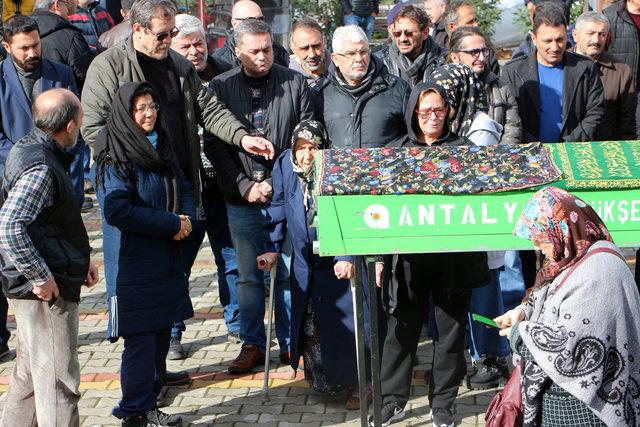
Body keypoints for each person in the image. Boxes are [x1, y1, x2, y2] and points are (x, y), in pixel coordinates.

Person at [81, 0, 274, 359]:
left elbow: (210, 109)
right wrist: (140, 159)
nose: (169, 39)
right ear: (136, 30)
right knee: (140, 288)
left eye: (172, 32)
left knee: (173, 274)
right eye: (162, 34)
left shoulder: (177, 65)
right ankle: (143, 383)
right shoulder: (107, 67)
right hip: (135, 194)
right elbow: (93, 130)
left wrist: (242, 137)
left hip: (179, 187)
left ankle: (161, 361)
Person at [371, 80, 489, 427]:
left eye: (439, 110)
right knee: (401, 331)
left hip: (454, 260)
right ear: (414, 114)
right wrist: (379, 258)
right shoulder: (397, 151)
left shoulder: (465, 149)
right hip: (408, 259)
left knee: (450, 336)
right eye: (425, 111)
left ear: (448, 111)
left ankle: (443, 406)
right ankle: (393, 401)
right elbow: (380, 210)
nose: (432, 117)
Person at [206, 19, 314, 374]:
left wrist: (282, 182)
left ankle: (289, 343)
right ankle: (252, 343)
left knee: (285, 271)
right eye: (254, 51)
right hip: (241, 199)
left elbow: (307, 131)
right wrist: (244, 185)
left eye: (267, 48)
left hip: (286, 196)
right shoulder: (220, 86)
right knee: (249, 275)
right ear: (237, 51)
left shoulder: (294, 82)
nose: (263, 56)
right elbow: (215, 146)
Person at [496, 186, 640, 426]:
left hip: (587, 410)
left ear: (563, 229)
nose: (538, 246)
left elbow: (572, 349)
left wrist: (519, 334)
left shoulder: (599, 272)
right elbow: (549, 294)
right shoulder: (574, 256)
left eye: (542, 238)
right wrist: (522, 312)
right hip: (575, 401)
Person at [94, 82, 192, 427]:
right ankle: (133, 412)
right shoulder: (113, 154)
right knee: (141, 342)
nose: (149, 114)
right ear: (126, 114)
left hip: (165, 258)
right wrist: (170, 223)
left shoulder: (161, 144)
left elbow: (184, 184)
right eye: (141, 109)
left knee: (161, 335)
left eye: (153, 106)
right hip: (133, 264)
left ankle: (149, 405)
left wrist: (187, 219)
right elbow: (117, 210)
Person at [0, 88, 99, 427]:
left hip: (39, 281)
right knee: (59, 383)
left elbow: (52, 221)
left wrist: (81, 258)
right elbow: (11, 226)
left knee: (29, 378)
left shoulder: (31, 147)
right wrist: (40, 276)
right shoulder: (42, 165)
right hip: (43, 290)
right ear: (70, 126)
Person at [257, 120, 367, 409]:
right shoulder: (285, 166)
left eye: (313, 148)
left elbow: (350, 215)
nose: (306, 155)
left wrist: (347, 257)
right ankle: (324, 381)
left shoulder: (336, 169)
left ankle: (359, 383)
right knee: (312, 323)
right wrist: (271, 247)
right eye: (301, 148)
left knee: (346, 325)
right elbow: (278, 206)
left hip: (336, 264)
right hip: (306, 262)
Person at [170, 13, 241, 346]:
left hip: (222, 185)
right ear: (171, 46)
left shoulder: (224, 75)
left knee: (230, 258)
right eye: (186, 45)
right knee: (179, 265)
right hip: (186, 189)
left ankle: (238, 324)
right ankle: (172, 332)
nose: (195, 50)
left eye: (199, 43)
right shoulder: (165, 78)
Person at [0, 15, 86, 211]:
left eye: (36, 45)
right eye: (24, 48)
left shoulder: (62, 73)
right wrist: (28, 160)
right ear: (7, 47)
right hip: (15, 182)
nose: (32, 53)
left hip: (61, 182)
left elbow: (74, 127)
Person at [500, 1, 604, 143]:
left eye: (560, 39)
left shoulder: (585, 67)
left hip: (573, 152)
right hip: (529, 154)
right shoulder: (512, 72)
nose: (555, 47)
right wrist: (534, 146)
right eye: (547, 41)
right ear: (534, 39)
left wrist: (569, 144)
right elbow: (508, 118)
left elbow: (595, 112)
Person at [318, 25, 409, 148]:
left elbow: (413, 137)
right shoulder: (322, 94)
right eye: (350, 53)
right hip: (339, 167)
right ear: (335, 59)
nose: (359, 59)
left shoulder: (398, 89)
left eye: (363, 52)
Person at [449, 26, 521, 145]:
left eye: (484, 51)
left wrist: (499, 155)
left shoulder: (501, 88)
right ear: (455, 57)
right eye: (474, 52)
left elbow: (512, 128)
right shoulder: (442, 90)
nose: (482, 58)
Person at [572, 11, 636, 140]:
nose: (596, 40)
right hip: (565, 147)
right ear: (575, 35)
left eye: (602, 34)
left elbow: (628, 123)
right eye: (590, 33)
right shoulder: (559, 65)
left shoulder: (621, 72)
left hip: (605, 150)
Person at [375, 4, 446, 88]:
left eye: (409, 33)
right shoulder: (379, 64)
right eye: (397, 33)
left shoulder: (445, 60)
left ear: (425, 33)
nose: (402, 39)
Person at [31, 0, 95, 91]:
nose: (76, 2)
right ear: (56, 5)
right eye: (66, 3)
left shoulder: (20, 34)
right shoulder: (70, 37)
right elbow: (88, 78)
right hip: (66, 100)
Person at [212, 0, 289, 73]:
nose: (257, 24)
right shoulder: (219, 60)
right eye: (250, 20)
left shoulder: (279, 52)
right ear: (234, 23)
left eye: (260, 19)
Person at [442, 1, 500, 75]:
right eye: (470, 22)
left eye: (475, 20)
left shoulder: (486, 49)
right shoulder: (437, 54)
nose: (476, 25)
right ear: (452, 27)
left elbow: (496, 81)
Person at [289, 17, 330, 93]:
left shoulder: (338, 67)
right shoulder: (287, 79)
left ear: (324, 43)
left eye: (316, 46)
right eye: (304, 48)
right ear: (293, 49)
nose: (312, 54)